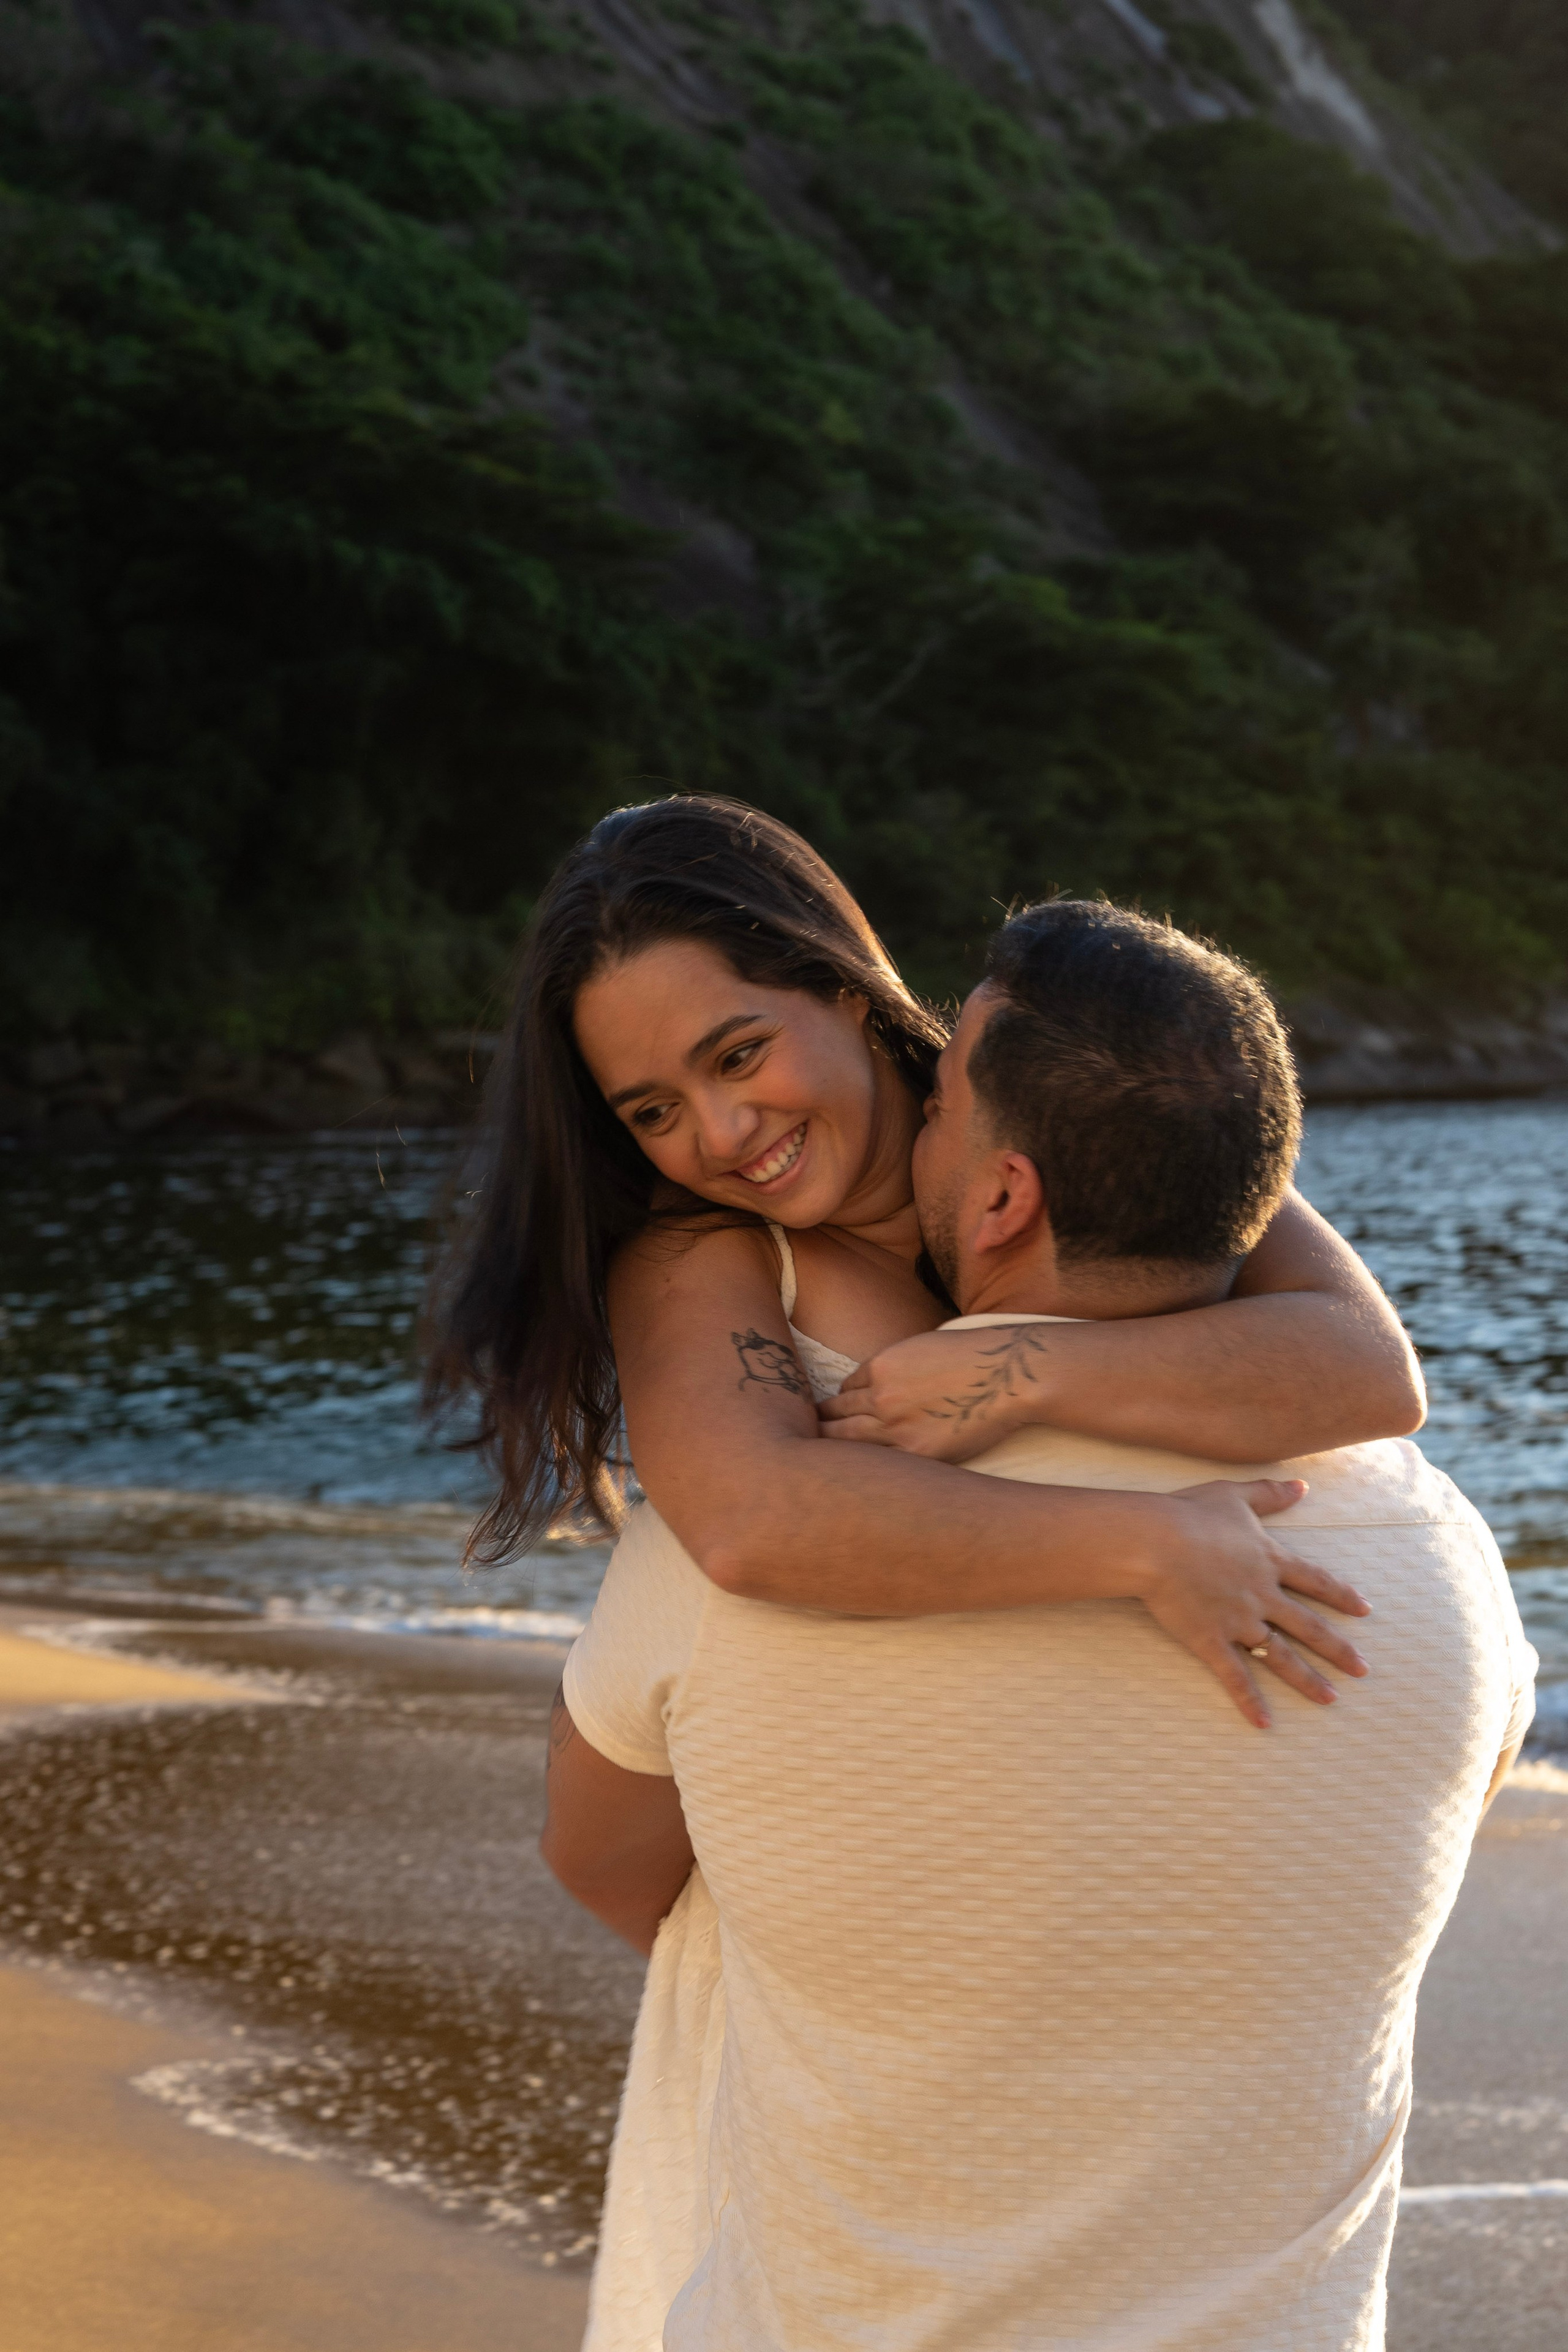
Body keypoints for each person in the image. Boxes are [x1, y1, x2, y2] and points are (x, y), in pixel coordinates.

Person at [423, 795, 1423, 2344]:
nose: (715, 1137)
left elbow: (1366, 1371)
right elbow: (753, 1526)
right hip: (858, 1884)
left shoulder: (1056, 1099)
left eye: (734, 1053)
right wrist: (1134, 1543)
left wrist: (1028, 1374)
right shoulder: (700, 1259)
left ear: (836, 983)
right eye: (648, 1113)